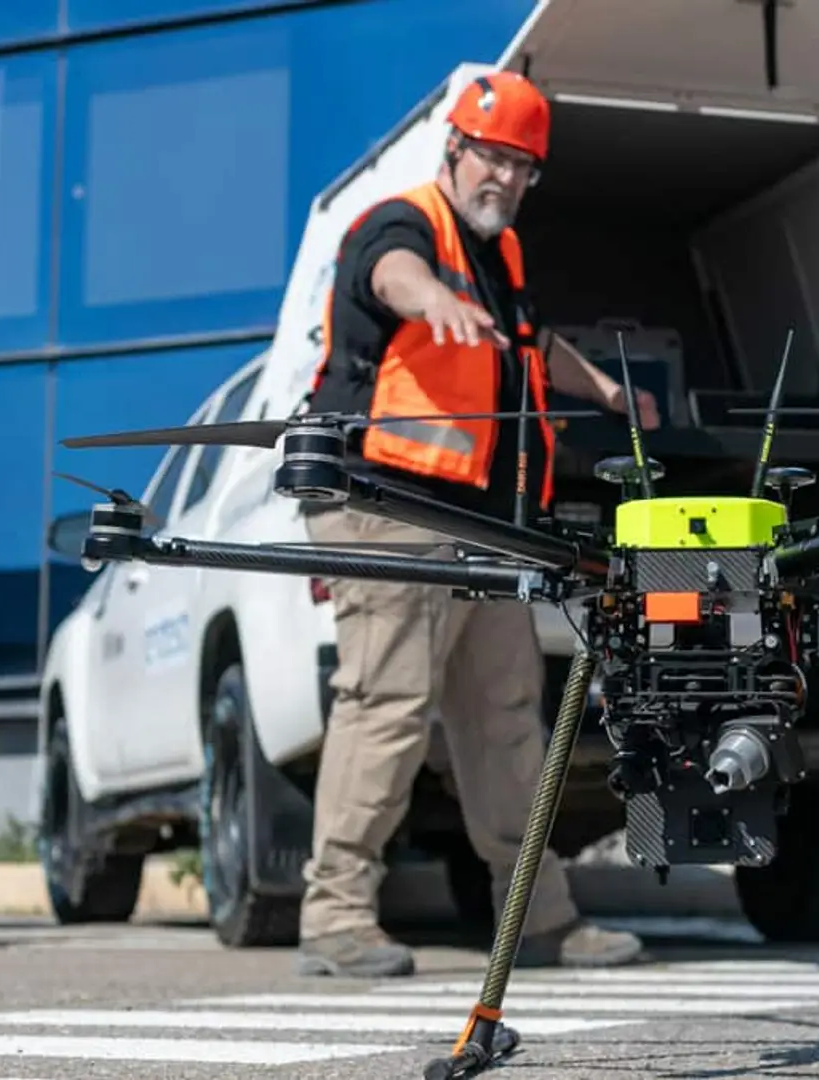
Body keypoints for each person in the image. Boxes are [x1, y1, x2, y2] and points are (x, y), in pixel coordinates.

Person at [295, 70, 661, 979]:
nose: (502, 177)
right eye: (490, 156)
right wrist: (434, 301)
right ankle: (335, 918)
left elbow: (535, 346)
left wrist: (609, 391)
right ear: (456, 150)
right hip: (392, 508)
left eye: (520, 165)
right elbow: (394, 276)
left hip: (488, 528)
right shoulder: (404, 222)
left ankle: (538, 917)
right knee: (385, 708)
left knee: (505, 720)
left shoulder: (503, 261)